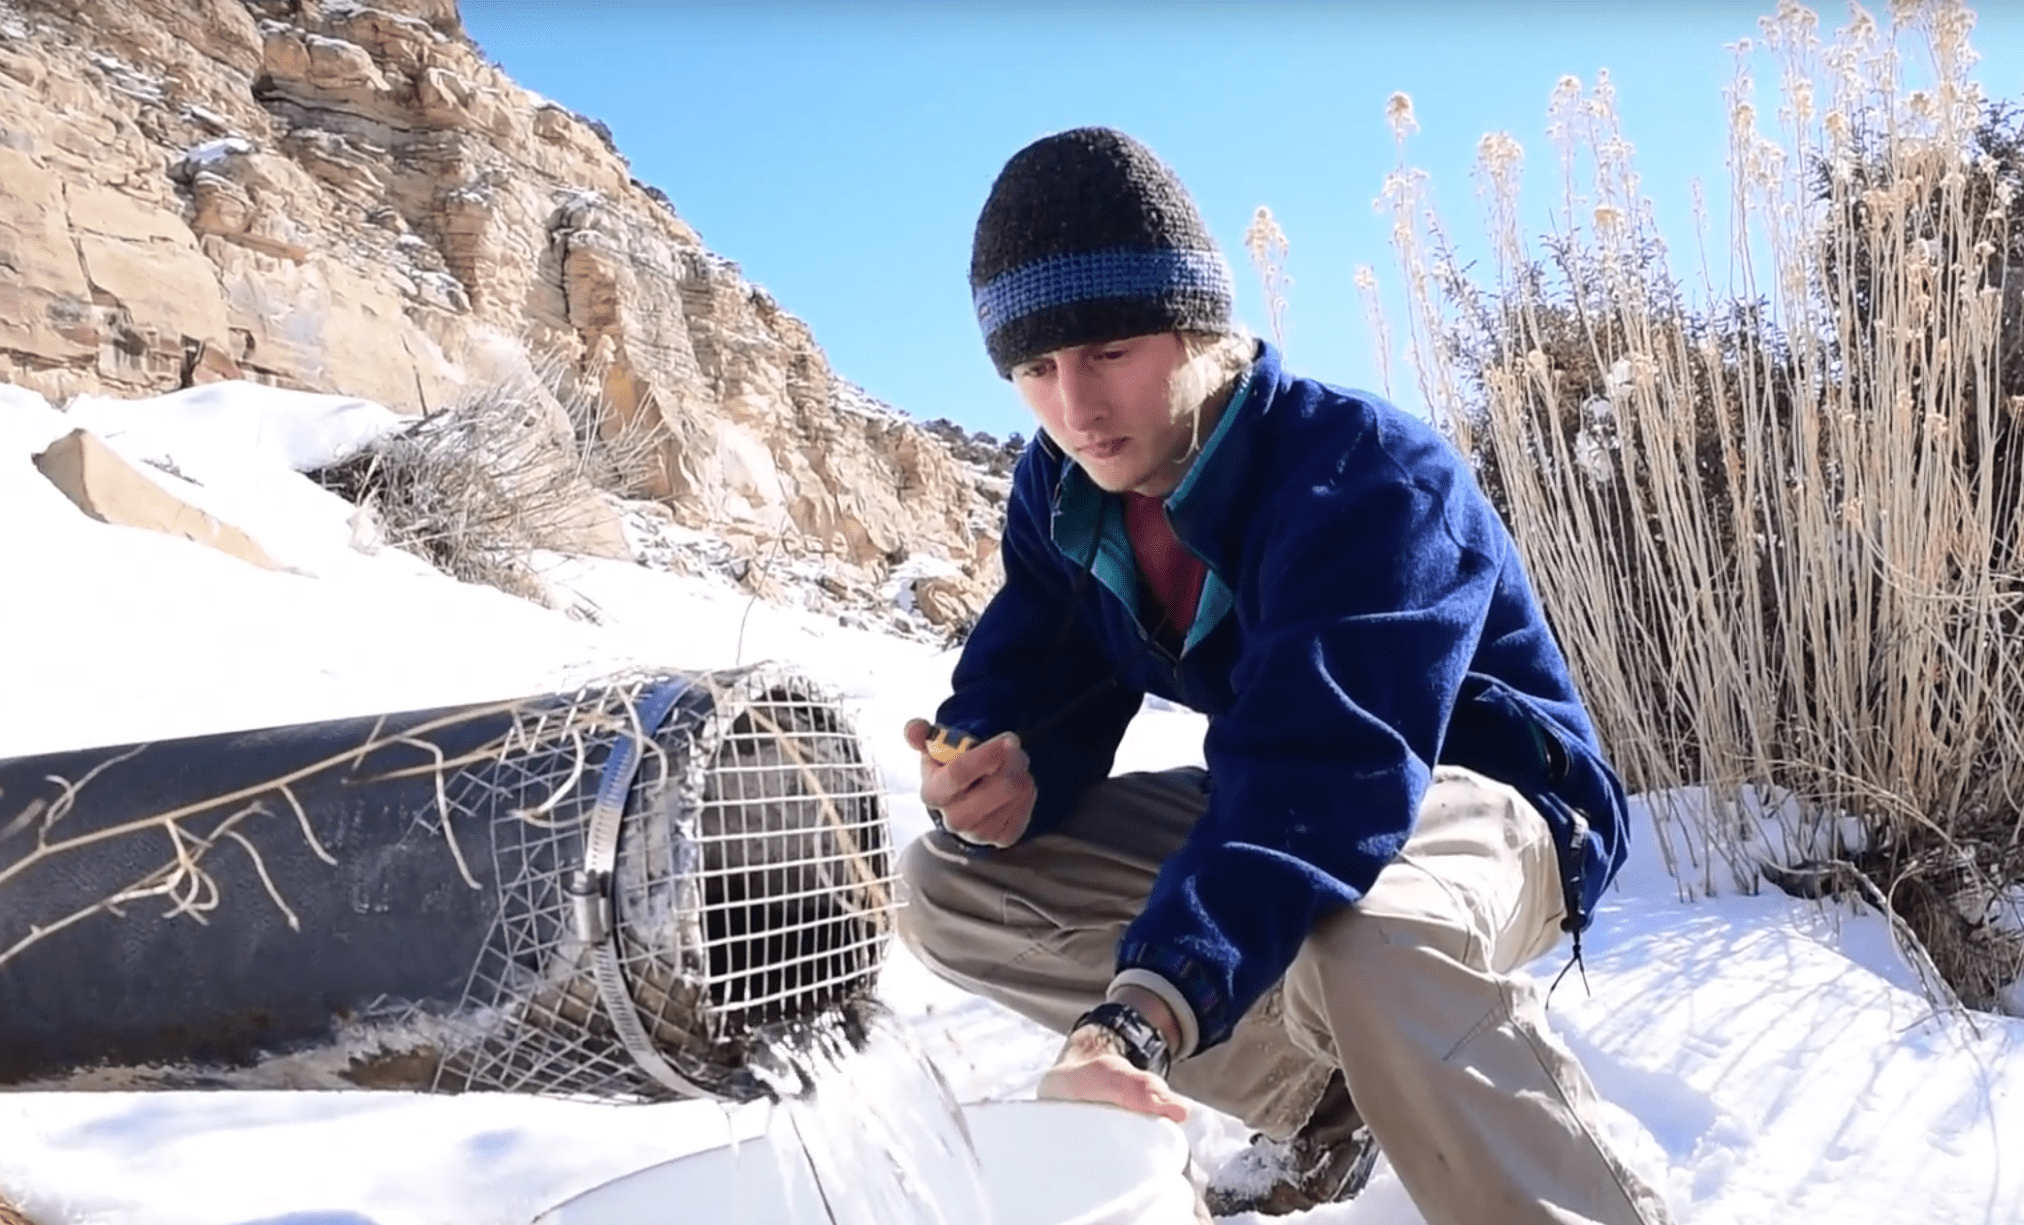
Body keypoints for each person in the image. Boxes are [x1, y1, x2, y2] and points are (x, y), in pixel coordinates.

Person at [896, 126, 1674, 1224]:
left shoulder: (1366, 477)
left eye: (1109, 350)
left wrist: (1139, 1015)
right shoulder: (1061, 489)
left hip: (1490, 797)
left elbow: (1326, 769)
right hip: (1285, 791)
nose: (1074, 407)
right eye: (1034, 368)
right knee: (950, 886)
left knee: (1371, 931)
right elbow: (1039, 660)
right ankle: (1325, 1096)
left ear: (1195, 326)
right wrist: (1002, 755)